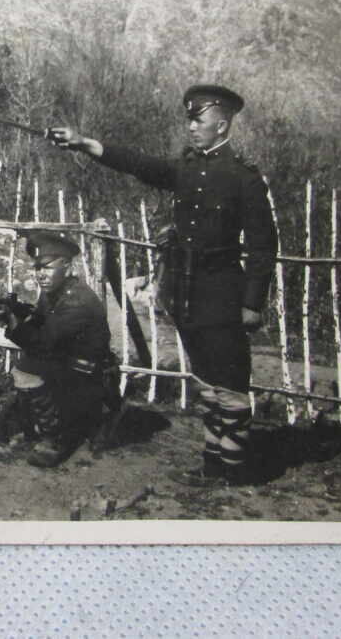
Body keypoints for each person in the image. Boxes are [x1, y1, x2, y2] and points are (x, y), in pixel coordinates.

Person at [48, 84, 278, 486]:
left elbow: (263, 245)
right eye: (189, 119)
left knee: (230, 378)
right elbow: (137, 163)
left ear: (222, 125)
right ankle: (214, 462)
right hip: (186, 292)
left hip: (223, 291)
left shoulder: (243, 178)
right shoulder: (187, 169)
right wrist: (83, 143)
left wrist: (252, 303)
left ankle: (235, 466)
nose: (191, 126)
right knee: (206, 378)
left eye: (198, 120)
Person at [0, 231, 114, 468]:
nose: (40, 275)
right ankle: (40, 418)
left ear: (67, 266)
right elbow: (38, 324)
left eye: (47, 268)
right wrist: (14, 315)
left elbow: (44, 341)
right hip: (64, 366)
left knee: (26, 371)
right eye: (37, 269)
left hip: (86, 377)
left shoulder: (78, 301)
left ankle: (56, 437)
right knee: (2, 429)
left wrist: (12, 322)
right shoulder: (53, 294)